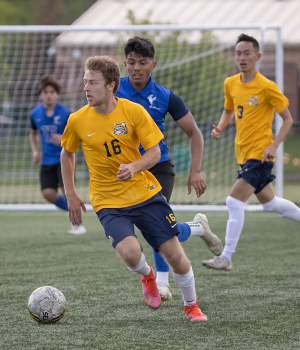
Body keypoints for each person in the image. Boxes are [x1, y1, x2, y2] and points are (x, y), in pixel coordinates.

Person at [61, 55, 208, 321]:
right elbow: (67, 153)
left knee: (175, 255)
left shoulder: (133, 112)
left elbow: (154, 153)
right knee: (130, 254)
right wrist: (70, 193)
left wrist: (134, 167)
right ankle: (149, 276)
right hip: (107, 200)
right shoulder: (77, 120)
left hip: (144, 193)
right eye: (85, 82)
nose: (86, 88)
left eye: (93, 83)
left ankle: (191, 305)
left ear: (111, 86)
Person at [115, 36, 222, 302]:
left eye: (142, 62)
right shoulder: (113, 91)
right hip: (126, 170)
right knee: (138, 231)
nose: (136, 67)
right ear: (124, 64)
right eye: (131, 62)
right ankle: (197, 227)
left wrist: (195, 170)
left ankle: (161, 283)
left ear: (153, 65)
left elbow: (195, 133)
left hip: (158, 166)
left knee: (156, 225)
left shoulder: (166, 97)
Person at [202, 33, 300, 271]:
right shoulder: (231, 83)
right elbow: (228, 109)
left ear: (257, 56)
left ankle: (226, 257)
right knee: (270, 203)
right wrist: (220, 127)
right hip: (243, 154)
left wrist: (274, 144)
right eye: (238, 53)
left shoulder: (267, 86)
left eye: (247, 53)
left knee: (233, 201)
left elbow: (287, 119)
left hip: (261, 155)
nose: (242, 57)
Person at [29, 75, 86, 235]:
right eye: (45, 92)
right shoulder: (35, 114)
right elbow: (32, 133)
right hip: (46, 160)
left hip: (63, 159)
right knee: (47, 193)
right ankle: (73, 210)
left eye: (52, 92)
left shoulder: (65, 113)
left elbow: (76, 135)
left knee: (67, 191)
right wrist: (35, 151)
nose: (48, 95)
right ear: (41, 94)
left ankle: (77, 224)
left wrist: (63, 139)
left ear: (56, 94)